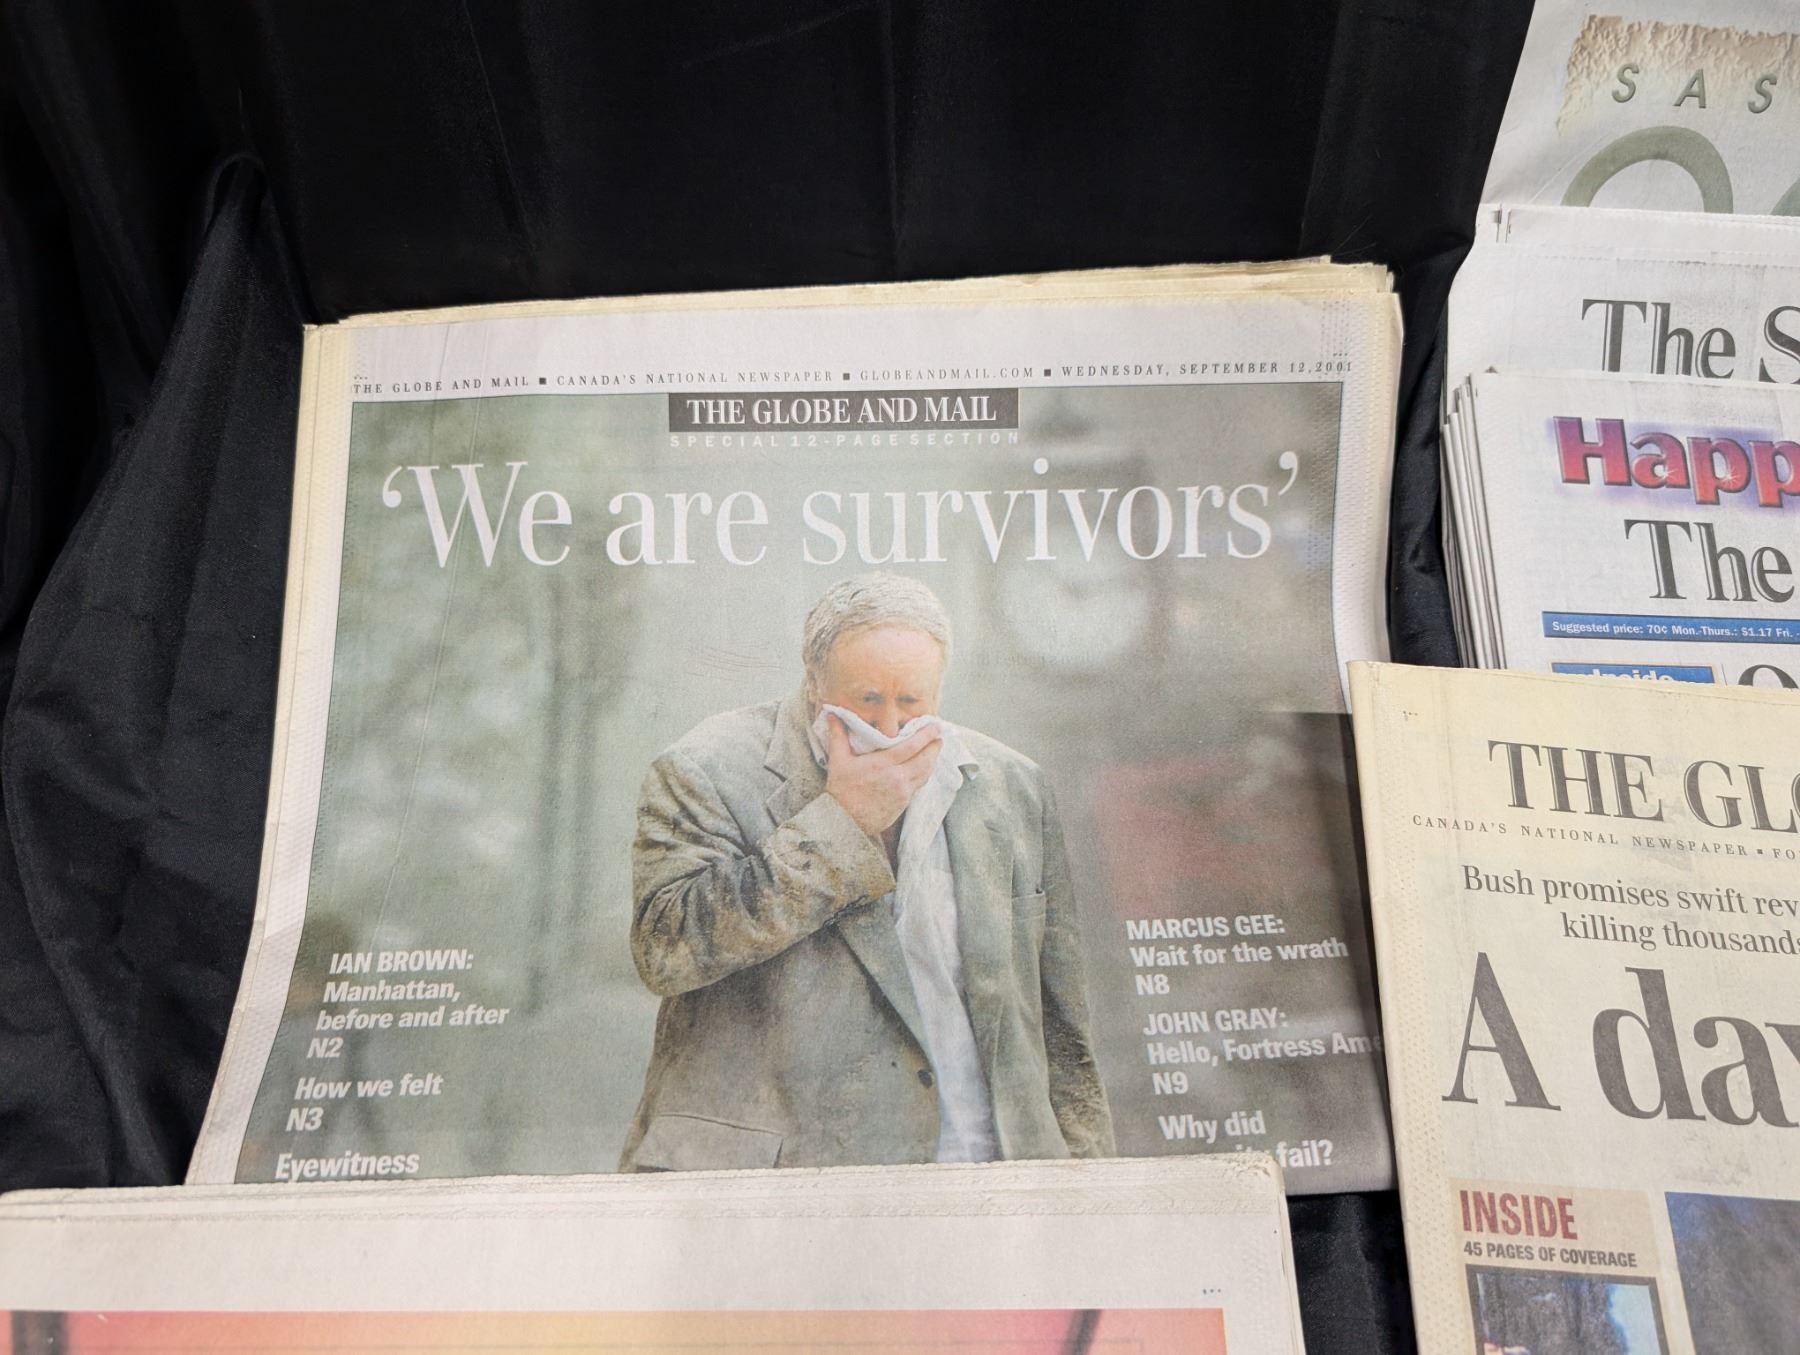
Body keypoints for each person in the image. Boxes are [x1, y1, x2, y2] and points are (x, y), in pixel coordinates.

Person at [619, 572, 1113, 1170]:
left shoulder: (1012, 785)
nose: (889, 727)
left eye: (912, 702)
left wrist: (1089, 1180)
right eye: (868, 699)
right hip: (790, 1183)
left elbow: (1062, 1021)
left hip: (987, 1165)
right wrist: (843, 823)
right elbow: (664, 949)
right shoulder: (704, 769)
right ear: (813, 682)